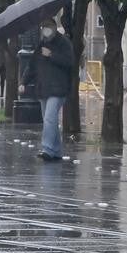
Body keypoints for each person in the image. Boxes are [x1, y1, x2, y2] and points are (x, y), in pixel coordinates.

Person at [27, 16, 75, 161]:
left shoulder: (64, 42)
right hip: (44, 88)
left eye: (47, 27)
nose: (45, 30)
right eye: (43, 27)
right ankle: (57, 151)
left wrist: (51, 55)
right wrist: (23, 81)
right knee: (49, 120)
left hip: (58, 88)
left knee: (49, 118)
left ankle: (47, 149)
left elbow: (69, 61)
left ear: (54, 27)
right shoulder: (41, 44)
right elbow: (32, 66)